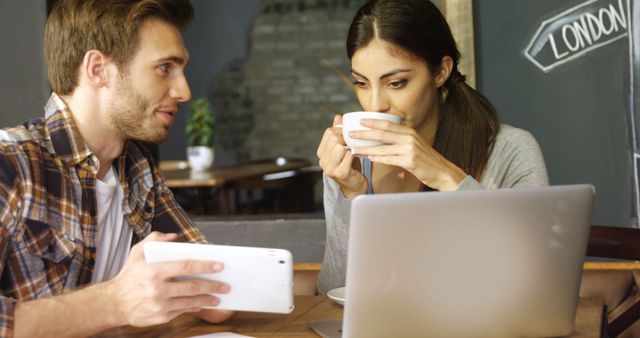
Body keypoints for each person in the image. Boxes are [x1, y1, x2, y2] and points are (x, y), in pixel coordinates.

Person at [0, 1, 235, 336]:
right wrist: (114, 303)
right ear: (98, 69)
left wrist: (219, 288)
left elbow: (213, 293)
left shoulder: (136, 166)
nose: (184, 92)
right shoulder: (10, 163)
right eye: (164, 68)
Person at [316, 0, 549, 294]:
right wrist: (352, 198)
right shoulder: (348, 163)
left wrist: (446, 178)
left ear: (441, 71)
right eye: (361, 83)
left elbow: (536, 279)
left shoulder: (510, 150)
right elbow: (333, 292)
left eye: (397, 83)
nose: (375, 104)